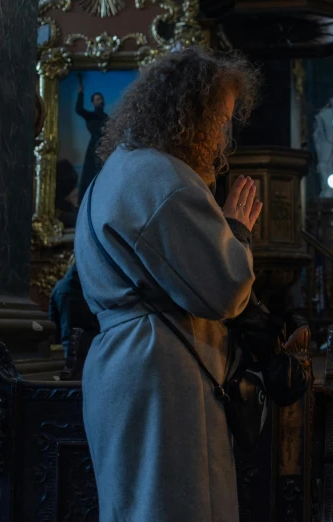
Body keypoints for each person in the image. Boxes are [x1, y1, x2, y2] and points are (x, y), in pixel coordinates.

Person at [74, 47, 261, 521]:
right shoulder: (164, 179)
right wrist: (236, 230)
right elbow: (226, 289)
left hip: (122, 367)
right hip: (161, 377)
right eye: (219, 119)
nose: (223, 136)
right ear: (189, 113)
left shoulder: (116, 170)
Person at [49, 258, 99, 358]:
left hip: (72, 344)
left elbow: (52, 320)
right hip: (88, 344)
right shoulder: (85, 284)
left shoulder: (61, 286)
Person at [75, 75, 109, 204]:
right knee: (89, 174)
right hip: (92, 148)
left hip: (105, 148)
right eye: (97, 99)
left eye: (100, 99)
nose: (99, 101)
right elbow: (78, 109)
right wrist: (80, 93)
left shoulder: (107, 118)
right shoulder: (90, 116)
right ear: (93, 102)